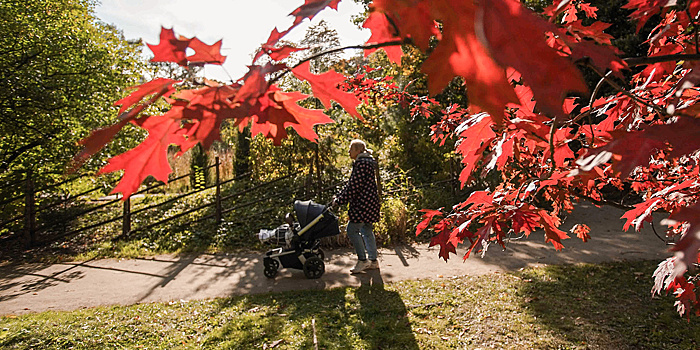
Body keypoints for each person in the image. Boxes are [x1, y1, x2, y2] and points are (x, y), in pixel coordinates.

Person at [332, 139, 381, 274]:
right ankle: (373, 260)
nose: (349, 152)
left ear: (358, 150)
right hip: (369, 202)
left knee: (352, 230)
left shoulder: (361, 164)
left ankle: (362, 260)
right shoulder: (366, 163)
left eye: (351, 149)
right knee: (366, 229)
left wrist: (339, 200)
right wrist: (339, 196)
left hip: (362, 204)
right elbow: (351, 184)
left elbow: (354, 187)